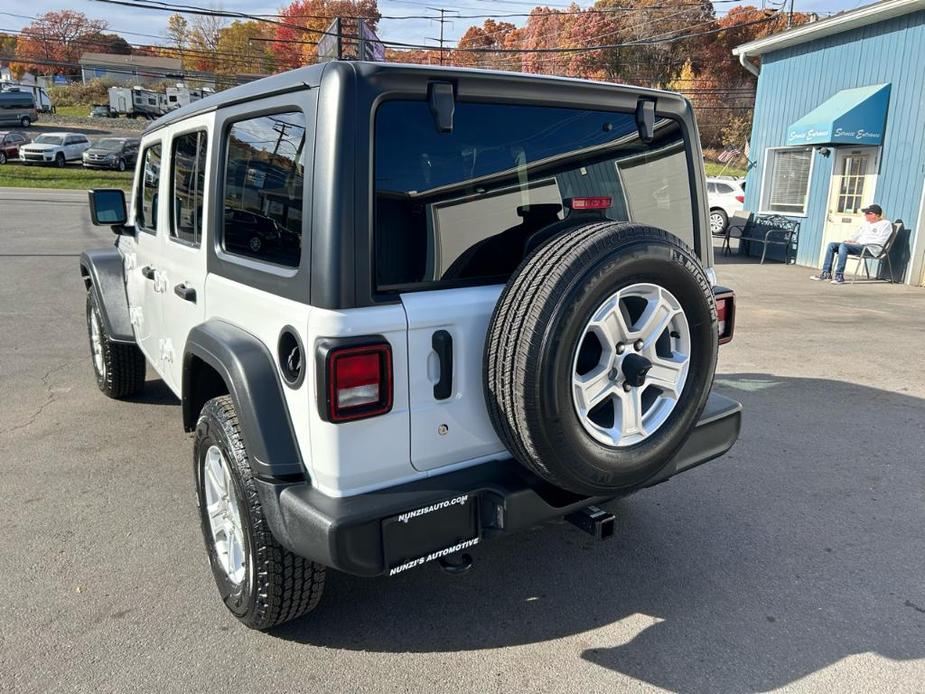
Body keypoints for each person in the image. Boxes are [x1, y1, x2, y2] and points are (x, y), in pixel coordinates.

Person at [811, 204, 892, 284]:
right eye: (865, 213)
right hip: (859, 246)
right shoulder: (866, 224)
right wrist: (852, 240)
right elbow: (857, 234)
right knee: (832, 245)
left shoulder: (885, 224)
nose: (865, 215)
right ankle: (826, 273)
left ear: (876, 215)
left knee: (844, 246)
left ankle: (839, 276)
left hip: (871, 248)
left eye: (868, 213)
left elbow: (881, 240)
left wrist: (860, 243)